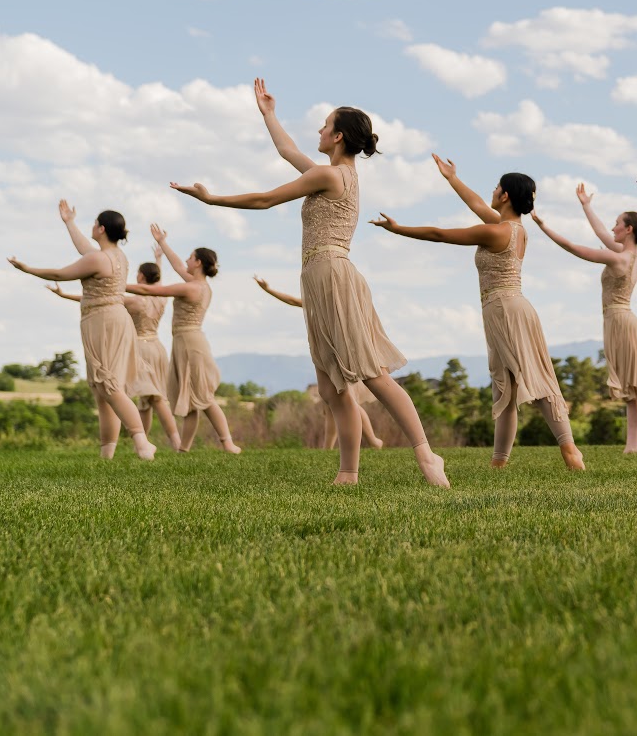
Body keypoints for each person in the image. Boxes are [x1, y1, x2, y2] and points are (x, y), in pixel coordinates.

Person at [170, 78, 448, 486]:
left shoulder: (332, 177)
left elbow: (266, 199)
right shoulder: (330, 173)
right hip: (319, 277)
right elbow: (288, 151)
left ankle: (426, 454)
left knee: (371, 373)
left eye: (324, 125)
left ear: (337, 136)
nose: (318, 130)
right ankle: (348, 473)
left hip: (332, 273)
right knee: (331, 387)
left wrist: (212, 199)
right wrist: (269, 114)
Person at [372, 157, 584, 470]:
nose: (492, 191)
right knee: (505, 387)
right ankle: (499, 462)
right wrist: (452, 178)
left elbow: (439, 234)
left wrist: (398, 229)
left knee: (536, 380)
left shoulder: (497, 232)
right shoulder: (512, 229)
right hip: (506, 309)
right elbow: (475, 204)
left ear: (505, 195)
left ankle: (570, 451)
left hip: (506, 309)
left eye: (497, 187)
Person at [533, 185, 637, 453]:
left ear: (628, 229)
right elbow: (600, 233)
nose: (613, 227)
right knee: (631, 390)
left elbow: (574, 247)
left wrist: (543, 226)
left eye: (617, 223)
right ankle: (632, 448)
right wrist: (586, 205)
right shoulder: (631, 257)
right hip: (618, 322)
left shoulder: (618, 258)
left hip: (622, 322)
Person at [9, 201, 156, 460]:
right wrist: (69, 222)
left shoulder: (98, 258)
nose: (92, 227)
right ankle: (107, 453)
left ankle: (142, 442)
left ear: (101, 228)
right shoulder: (115, 256)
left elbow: (60, 274)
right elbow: (84, 248)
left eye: (94, 223)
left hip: (103, 321)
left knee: (108, 385)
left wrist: (27, 269)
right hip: (108, 319)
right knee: (102, 389)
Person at [52, 240, 181, 448]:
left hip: (141, 348)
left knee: (151, 398)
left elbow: (103, 296)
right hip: (157, 347)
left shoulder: (135, 301)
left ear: (141, 277)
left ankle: (148, 441)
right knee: (151, 399)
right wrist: (158, 260)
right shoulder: (161, 298)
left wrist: (64, 295)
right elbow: (157, 283)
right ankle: (160, 442)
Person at [125, 226, 240, 454]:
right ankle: (184, 449)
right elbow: (178, 266)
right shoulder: (197, 284)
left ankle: (228, 443)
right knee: (191, 400)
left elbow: (151, 291)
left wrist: (115, 284)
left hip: (190, 343)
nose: (186, 260)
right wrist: (162, 243)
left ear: (198, 263)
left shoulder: (192, 288)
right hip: (184, 342)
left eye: (190, 257)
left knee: (204, 397)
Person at [254, 276, 383, 450]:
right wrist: (268, 289)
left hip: (343, 356)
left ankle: (373, 441)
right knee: (331, 402)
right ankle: (328, 448)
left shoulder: (343, 303)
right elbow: (293, 301)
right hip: (327, 356)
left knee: (347, 400)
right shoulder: (320, 301)